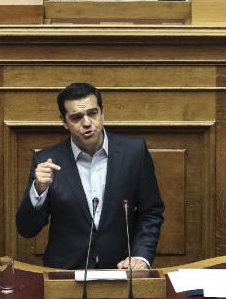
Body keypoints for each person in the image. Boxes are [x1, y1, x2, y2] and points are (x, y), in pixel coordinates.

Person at [16, 83, 164, 270]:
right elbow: (26, 229)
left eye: (93, 113)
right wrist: (38, 190)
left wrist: (140, 256)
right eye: (76, 117)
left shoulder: (134, 152)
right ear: (64, 121)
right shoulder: (46, 161)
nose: (86, 123)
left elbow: (151, 212)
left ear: (102, 113)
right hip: (66, 274)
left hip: (122, 271)